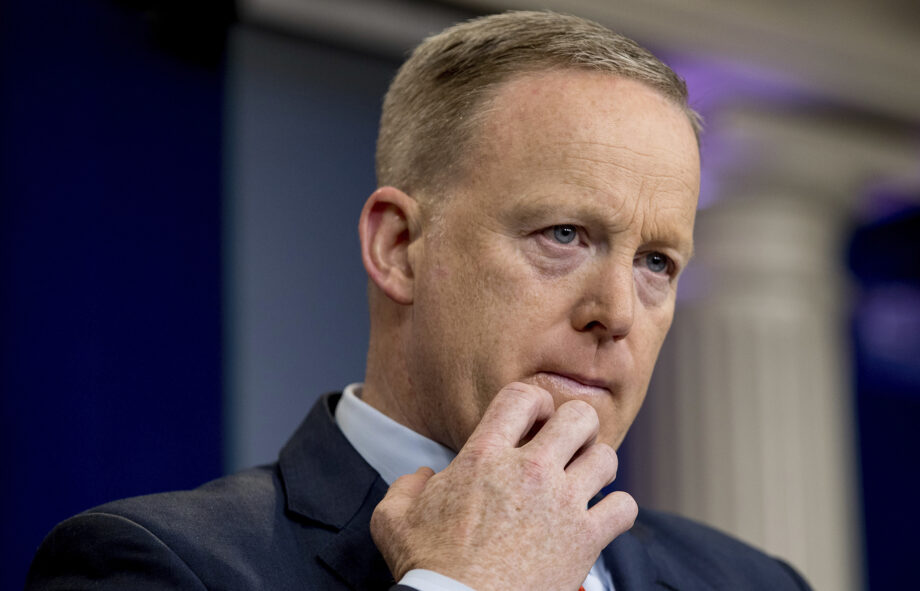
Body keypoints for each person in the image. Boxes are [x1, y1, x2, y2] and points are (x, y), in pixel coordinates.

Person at [27, 11, 812, 591]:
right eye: (565, 234)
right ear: (399, 247)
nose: (618, 311)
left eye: (655, 262)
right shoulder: (151, 564)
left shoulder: (755, 582)